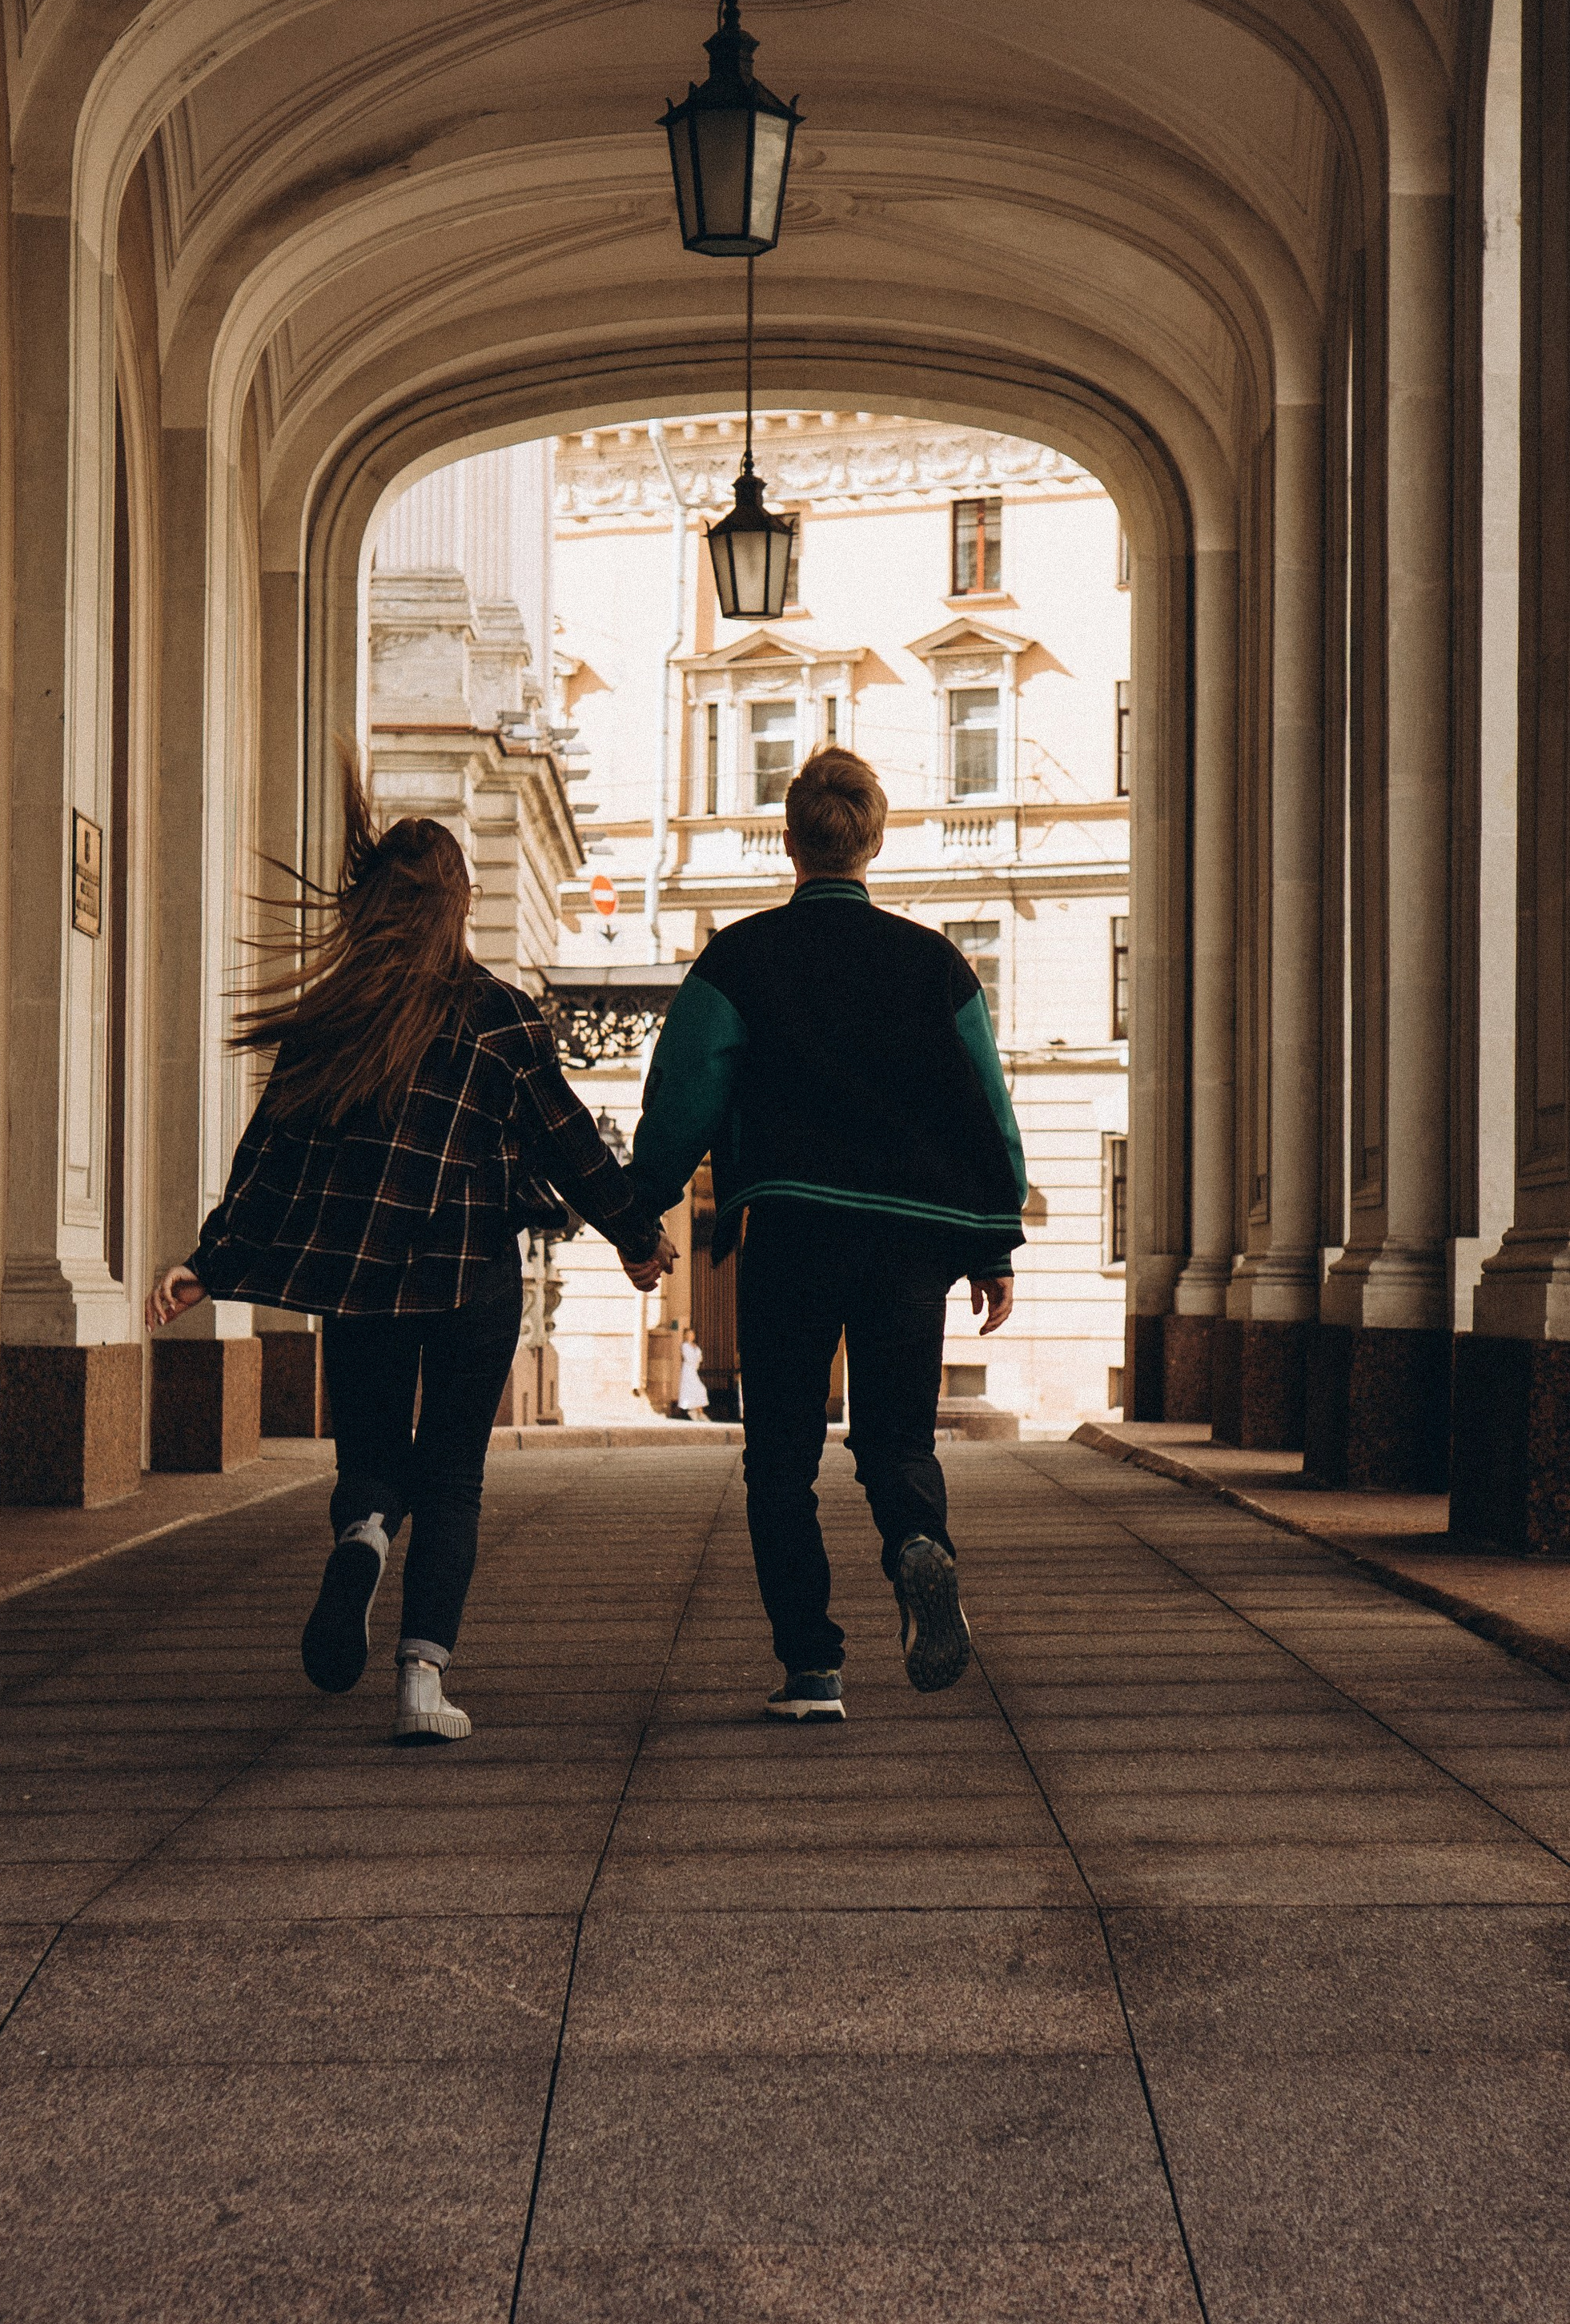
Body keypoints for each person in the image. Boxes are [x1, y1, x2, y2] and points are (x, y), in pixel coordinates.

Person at [145, 756, 672, 1742]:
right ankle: (422, 1683)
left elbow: (269, 1155)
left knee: (374, 1453)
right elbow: (571, 1147)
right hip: (470, 1276)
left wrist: (208, 1261)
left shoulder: (331, 1023)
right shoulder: (502, 1019)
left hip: (359, 1278)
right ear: (460, 906)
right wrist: (639, 1239)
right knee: (456, 1474)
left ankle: (362, 1537)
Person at [622, 746, 1026, 1721]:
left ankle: (812, 1667)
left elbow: (684, 1095)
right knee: (896, 1441)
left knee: (782, 1458)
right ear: (873, 842)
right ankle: (916, 1547)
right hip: (910, 1241)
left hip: (794, 1229)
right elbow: (989, 1107)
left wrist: (640, 1211)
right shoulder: (935, 964)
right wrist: (992, 1238)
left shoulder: (741, 958)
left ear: (790, 842)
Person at [677, 1330, 709, 1420]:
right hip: (688, 1371)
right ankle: (698, 1412)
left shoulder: (695, 1346)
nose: (690, 1336)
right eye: (688, 1335)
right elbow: (690, 1359)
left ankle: (697, 1411)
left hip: (693, 1370)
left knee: (699, 1390)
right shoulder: (685, 1346)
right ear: (685, 1336)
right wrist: (696, 1355)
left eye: (692, 1335)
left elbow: (700, 1358)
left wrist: (696, 1352)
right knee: (695, 1389)